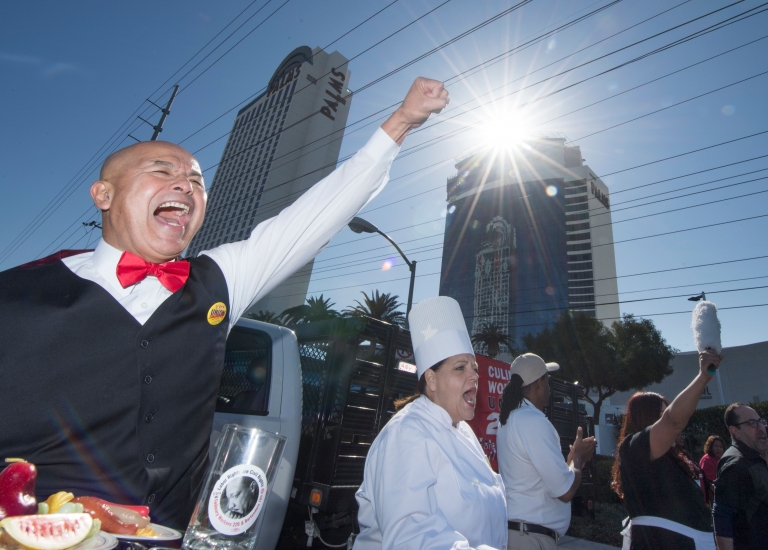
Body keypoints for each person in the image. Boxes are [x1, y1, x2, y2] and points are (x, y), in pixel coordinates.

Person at [0, 78, 449, 529]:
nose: (185, 184)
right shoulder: (15, 294)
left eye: (196, 179)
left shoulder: (220, 279)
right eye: (162, 171)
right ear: (104, 194)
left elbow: (315, 215)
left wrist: (401, 122)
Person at [353, 296, 507, 550]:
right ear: (432, 380)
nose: (474, 376)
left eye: (475, 367)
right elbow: (412, 539)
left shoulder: (465, 431)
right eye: (460, 368)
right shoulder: (405, 434)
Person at [612, 349, 722, 550]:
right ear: (645, 420)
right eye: (660, 415)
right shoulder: (633, 447)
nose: (668, 421)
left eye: (666, 413)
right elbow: (673, 422)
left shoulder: (677, 456)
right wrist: (703, 377)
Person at [496, 353, 597, 549]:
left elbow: (546, 478)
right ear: (540, 383)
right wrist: (578, 457)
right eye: (548, 382)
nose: (550, 388)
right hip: (531, 538)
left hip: (522, 534)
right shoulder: (533, 422)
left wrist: (572, 460)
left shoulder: (513, 419)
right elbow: (565, 491)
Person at [712, 403, 768, 550]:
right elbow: (722, 517)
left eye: (761, 421)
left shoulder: (753, 458)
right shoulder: (736, 465)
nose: (761, 428)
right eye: (752, 423)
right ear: (734, 431)